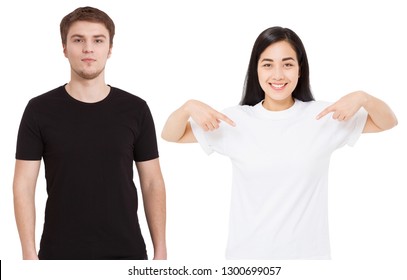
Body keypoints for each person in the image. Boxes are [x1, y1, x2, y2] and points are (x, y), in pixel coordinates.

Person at [161, 26, 398, 260]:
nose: (278, 75)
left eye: (287, 64)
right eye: (267, 65)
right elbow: (171, 134)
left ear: (300, 70)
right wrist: (188, 107)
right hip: (248, 262)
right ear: (256, 70)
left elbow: (387, 122)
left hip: (308, 262)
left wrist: (363, 97)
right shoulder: (236, 120)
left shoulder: (323, 116)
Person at [13, 6, 166, 260]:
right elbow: (23, 186)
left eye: (97, 40)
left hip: (126, 254)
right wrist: (29, 256)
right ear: (64, 48)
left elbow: (152, 182)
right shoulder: (38, 110)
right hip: (58, 255)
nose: (88, 48)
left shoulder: (135, 109)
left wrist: (160, 251)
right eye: (78, 40)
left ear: (110, 48)